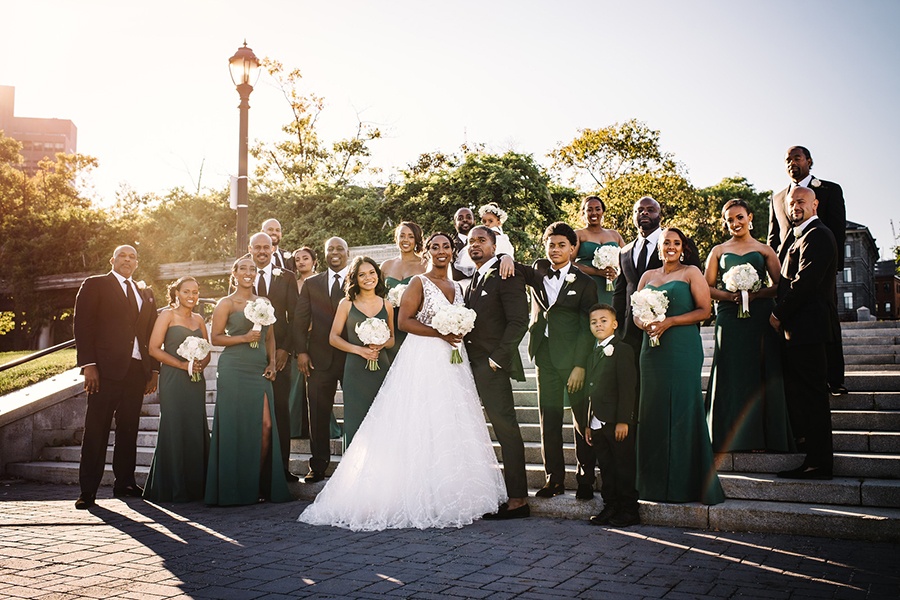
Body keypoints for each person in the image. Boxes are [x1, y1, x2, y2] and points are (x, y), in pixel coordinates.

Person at [298, 233, 506, 531]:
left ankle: (451, 492)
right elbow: (405, 321)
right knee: (420, 422)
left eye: (446, 246)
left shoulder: (459, 287)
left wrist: (457, 332)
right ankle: (414, 491)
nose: (441, 251)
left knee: (449, 421)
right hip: (425, 357)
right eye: (434, 247)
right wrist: (441, 332)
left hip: (452, 361)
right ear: (427, 252)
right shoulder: (418, 283)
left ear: (453, 251)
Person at [633, 228, 724, 504]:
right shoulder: (648, 277)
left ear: (683, 247)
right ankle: (652, 485)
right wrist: (646, 324)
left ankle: (687, 484)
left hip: (682, 348)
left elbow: (705, 311)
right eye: (666, 243)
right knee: (652, 410)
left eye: (676, 243)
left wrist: (670, 321)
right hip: (651, 351)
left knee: (685, 407)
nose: (671, 247)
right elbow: (636, 312)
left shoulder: (691, 272)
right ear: (659, 247)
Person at [73, 245, 159, 510]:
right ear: (112, 260)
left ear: (137, 263)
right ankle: (88, 491)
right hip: (104, 371)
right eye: (123, 255)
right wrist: (89, 365)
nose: (128, 260)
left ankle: (125, 483)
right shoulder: (95, 285)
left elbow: (152, 332)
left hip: (135, 371)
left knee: (129, 429)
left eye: (132, 256)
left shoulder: (145, 292)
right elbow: (82, 324)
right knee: (96, 430)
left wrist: (153, 370)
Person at [516, 222, 598, 500]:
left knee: (580, 420)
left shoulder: (585, 283)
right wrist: (504, 257)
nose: (556, 250)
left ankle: (586, 479)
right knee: (547, 420)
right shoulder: (538, 271)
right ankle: (554, 480)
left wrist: (580, 365)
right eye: (551, 244)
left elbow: (589, 327)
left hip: (574, 360)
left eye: (562, 245)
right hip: (545, 356)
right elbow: (516, 267)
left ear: (573, 248)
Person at [705, 200, 793, 453]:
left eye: (739, 217)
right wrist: (730, 296)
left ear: (749, 217)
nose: (735, 223)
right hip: (729, 318)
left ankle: (761, 438)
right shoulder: (719, 251)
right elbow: (707, 287)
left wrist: (755, 294)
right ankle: (725, 437)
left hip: (760, 317)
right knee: (730, 372)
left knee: (759, 372)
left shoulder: (765, 250)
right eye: (730, 220)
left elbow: (780, 286)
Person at [205, 256, 292, 506]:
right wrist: (243, 337)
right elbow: (216, 338)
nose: (248, 272)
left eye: (252, 269)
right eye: (243, 268)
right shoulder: (226, 303)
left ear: (256, 274)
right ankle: (236, 487)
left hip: (258, 369)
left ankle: (255, 483)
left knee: (265, 426)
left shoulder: (264, 302)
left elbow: (270, 337)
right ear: (234, 273)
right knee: (234, 428)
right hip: (234, 367)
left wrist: (272, 363)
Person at [767, 146, 846, 396]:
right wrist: (774, 273)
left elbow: (837, 230)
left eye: (797, 157)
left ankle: (834, 378)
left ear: (809, 161)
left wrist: (833, 268)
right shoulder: (777, 198)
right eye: (788, 159)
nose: (792, 162)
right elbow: (773, 238)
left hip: (819, 266)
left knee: (826, 316)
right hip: (785, 270)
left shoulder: (829, 190)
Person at [464, 226, 531, 520]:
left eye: (481, 240)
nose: (475, 245)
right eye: (471, 241)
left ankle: (518, 499)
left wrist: (497, 359)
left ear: (494, 245)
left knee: (506, 429)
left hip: (491, 365)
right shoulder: (472, 280)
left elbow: (519, 320)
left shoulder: (508, 272)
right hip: (468, 365)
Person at [771, 187, 837, 480]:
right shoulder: (796, 237)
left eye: (801, 201)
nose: (795, 206)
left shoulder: (818, 235)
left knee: (813, 397)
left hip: (808, 330)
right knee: (803, 397)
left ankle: (819, 463)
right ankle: (811, 457)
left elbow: (805, 282)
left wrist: (777, 313)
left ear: (815, 204)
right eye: (791, 202)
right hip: (796, 332)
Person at [144, 277, 211, 503]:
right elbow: (153, 349)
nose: (191, 295)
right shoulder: (167, 316)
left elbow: (207, 349)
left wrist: (201, 361)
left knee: (194, 426)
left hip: (195, 380)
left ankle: (196, 486)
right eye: (186, 291)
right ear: (177, 293)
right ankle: (171, 487)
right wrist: (183, 364)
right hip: (173, 378)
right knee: (174, 426)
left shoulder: (200, 319)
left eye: (195, 291)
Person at [293, 237, 350, 483]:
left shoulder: (359, 277)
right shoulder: (312, 283)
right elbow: (299, 319)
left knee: (359, 411)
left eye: (339, 249)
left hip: (352, 357)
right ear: (324, 254)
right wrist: (301, 352)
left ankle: (358, 464)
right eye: (330, 249)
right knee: (317, 414)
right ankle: (317, 466)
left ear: (348, 252)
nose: (335, 253)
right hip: (318, 359)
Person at [248, 232, 300, 482]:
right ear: (250, 249)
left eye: (265, 247)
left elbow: (296, 317)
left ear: (273, 249)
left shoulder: (287, 277)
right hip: (249, 354)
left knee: (280, 410)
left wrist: (285, 350)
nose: (261, 251)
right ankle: (253, 467)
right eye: (257, 247)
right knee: (253, 412)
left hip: (280, 355)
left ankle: (281, 468)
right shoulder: (241, 274)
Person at [329, 256, 394, 448]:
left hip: (381, 367)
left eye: (372, 273)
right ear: (355, 279)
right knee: (356, 420)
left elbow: (392, 340)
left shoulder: (386, 305)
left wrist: (381, 344)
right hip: (355, 370)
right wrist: (359, 350)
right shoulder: (346, 304)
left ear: (378, 275)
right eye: (362, 274)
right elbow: (333, 337)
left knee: (383, 418)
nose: (368, 278)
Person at [583, 304, 638, 527]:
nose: (598, 324)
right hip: (597, 422)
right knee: (605, 467)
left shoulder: (623, 349)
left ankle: (629, 510)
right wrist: (588, 423)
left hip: (616, 421)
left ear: (615, 324)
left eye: (604, 320)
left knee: (622, 466)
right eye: (594, 321)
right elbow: (590, 389)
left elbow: (627, 388)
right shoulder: (592, 353)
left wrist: (624, 420)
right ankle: (610, 506)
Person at [612, 196, 663, 396]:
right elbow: (620, 291)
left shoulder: (673, 244)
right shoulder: (624, 252)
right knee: (632, 385)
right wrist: (617, 326)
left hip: (662, 327)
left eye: (650, 210)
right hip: (630, 331)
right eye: (639, 210)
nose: (644, 213)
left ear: (659, 215)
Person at [380, 221, 427, 361]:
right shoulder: (386, 265)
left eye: (411, 236)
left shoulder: (425, 265)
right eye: (402, 236)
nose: (406, 240)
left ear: (417, 239)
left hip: (414, 323)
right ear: (396, 239)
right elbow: (378, 297)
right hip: (391, 325)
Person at [573, 196, 625, 304]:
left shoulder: (614, 234)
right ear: (583, 213)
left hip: (613, 286)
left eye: (597, 209)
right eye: (589, 210)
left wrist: (617, 273)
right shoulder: (578, 234)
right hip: (587, 285)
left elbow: (627, 261)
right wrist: (596, 272)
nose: (594, 213)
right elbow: (568, 263)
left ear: (602, 211)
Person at [451, 207, 476, 281]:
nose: (465, 220)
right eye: (460, 218)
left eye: (468, 217)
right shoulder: (449, 244)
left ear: (474, 221)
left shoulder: (483, 242)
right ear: (455, 224)